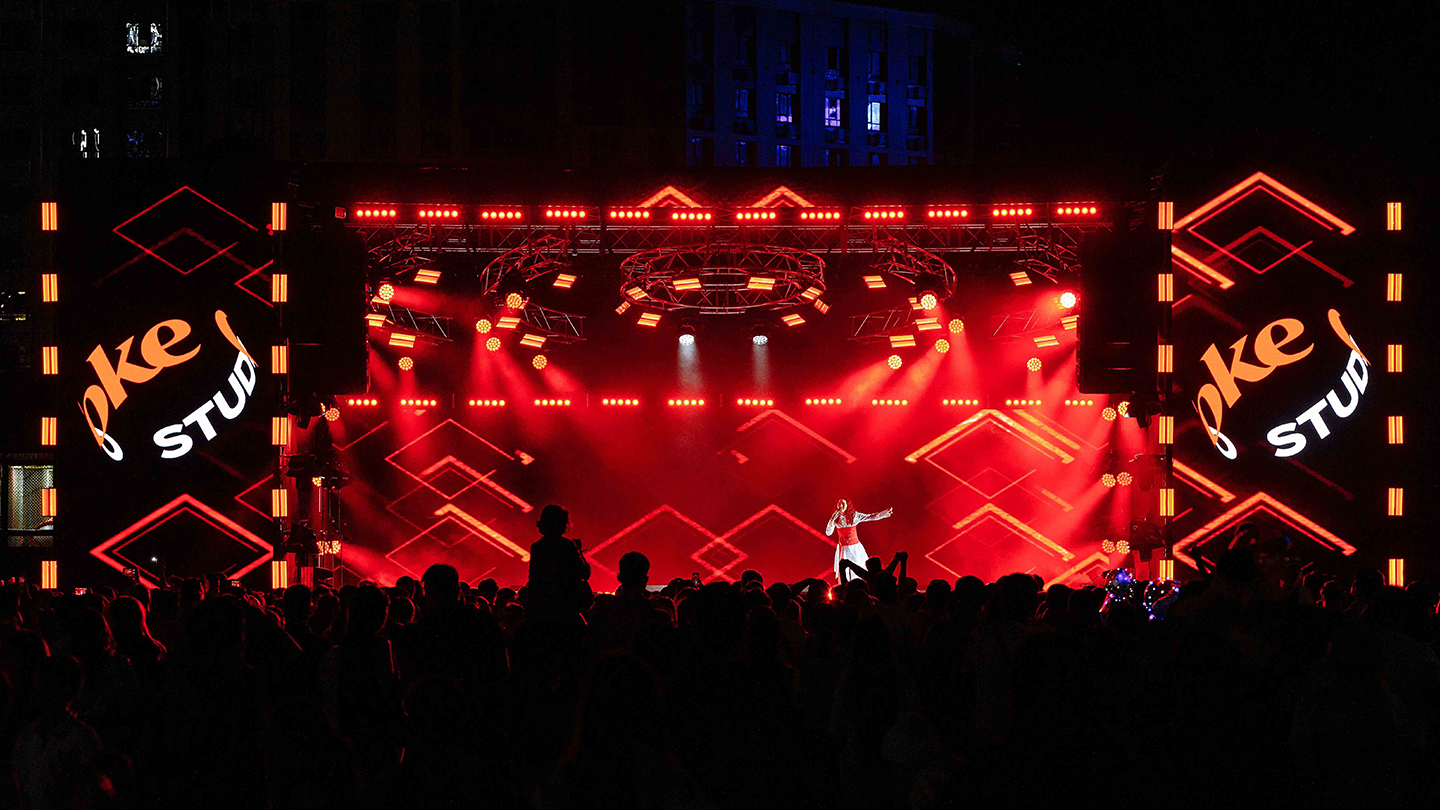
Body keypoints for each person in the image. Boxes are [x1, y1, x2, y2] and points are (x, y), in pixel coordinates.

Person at [825, 498, 893, 584]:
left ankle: (861, 586)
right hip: (844, 549)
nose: (841, 505)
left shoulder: (854, 516)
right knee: (845, 571)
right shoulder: (836, 519)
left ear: (847, 505)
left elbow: (870, 517)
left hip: (855, 548)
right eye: (839, 503)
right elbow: (828, 533)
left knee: (858, 568)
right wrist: (831, 521)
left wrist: (884, 513)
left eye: (843, 503)